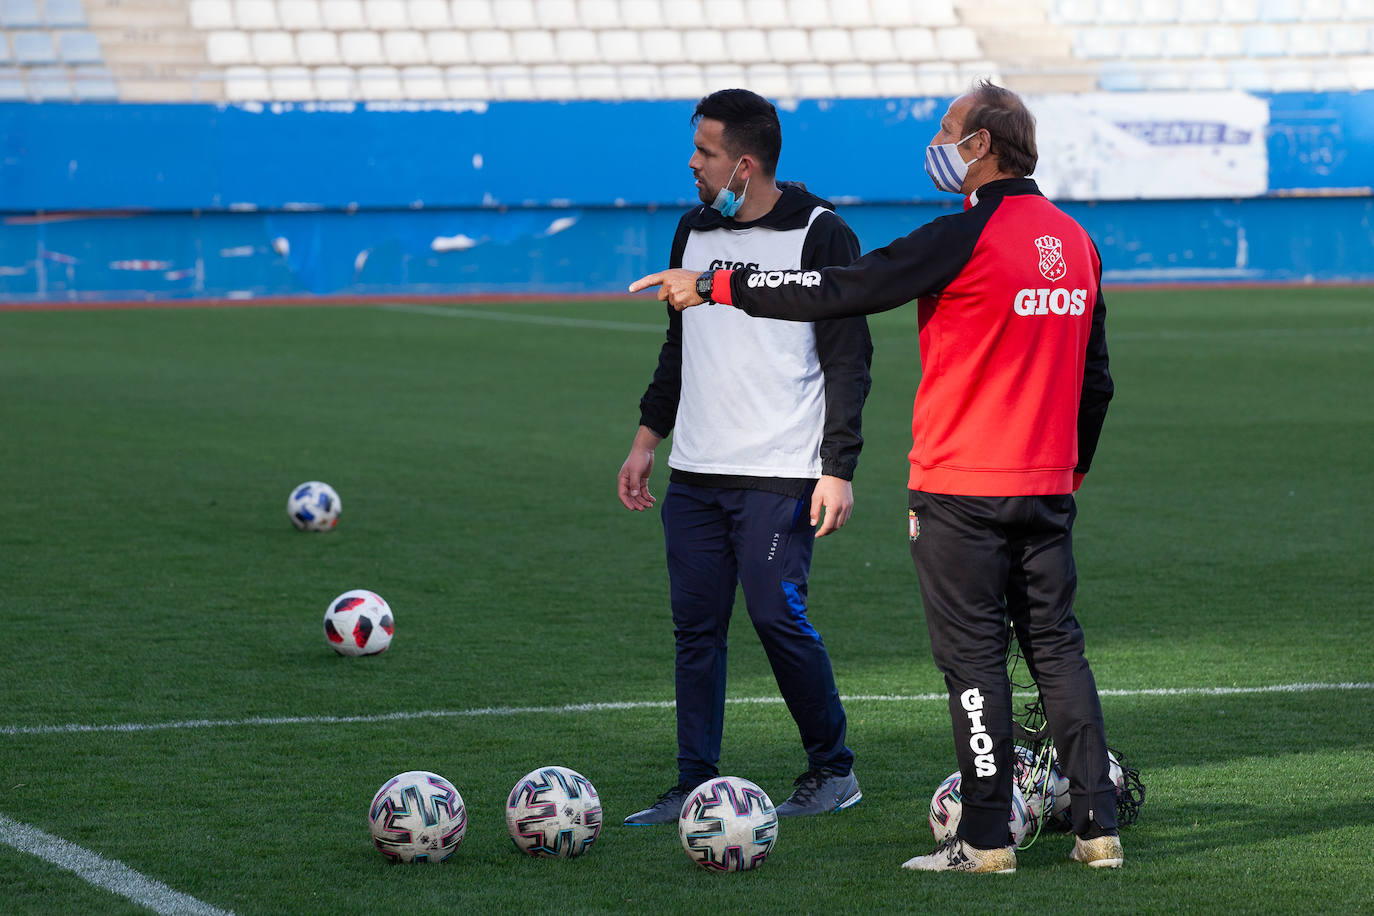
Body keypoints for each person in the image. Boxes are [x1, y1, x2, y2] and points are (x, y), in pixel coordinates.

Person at [628, 80, 1121, 873]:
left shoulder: (964, 235)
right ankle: (1097, 826)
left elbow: (845, 291)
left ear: (982, 145)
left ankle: (987, 838)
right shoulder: (1078, 240)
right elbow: (1097, 379)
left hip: (963, 486)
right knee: (1058, 651)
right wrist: (1076, 468)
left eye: (948, 130)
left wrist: (721, 283)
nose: (939, 140)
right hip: (1046, 484)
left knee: (974, 664)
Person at [617, 88, 873, 826]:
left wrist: (839, 467)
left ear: (745, 165)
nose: (692, 164)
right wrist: (645, 442)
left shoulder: (823, 234)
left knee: (774, 615)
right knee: (695, 628)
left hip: (782, 469)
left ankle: (834, 768)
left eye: (706, 153)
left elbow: (848, 359)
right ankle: (693, 782)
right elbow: (679, 348)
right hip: (696, 471)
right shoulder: (693, 230)